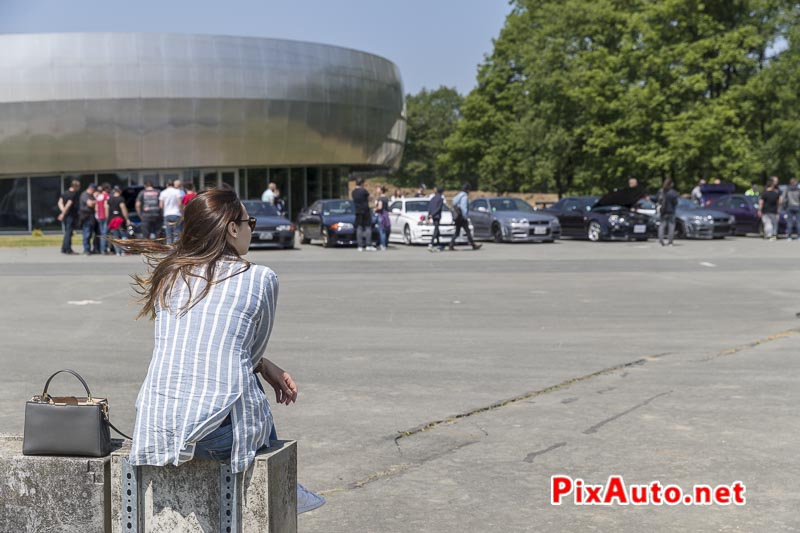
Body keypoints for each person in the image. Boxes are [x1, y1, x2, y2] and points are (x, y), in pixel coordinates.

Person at [121, 188, 325, 514]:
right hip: (217, 437)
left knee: (237, 371)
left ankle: (290, 483)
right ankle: (289, 486)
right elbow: (250, 352)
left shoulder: (170, 276)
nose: (251, 230)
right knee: (246, 382)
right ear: (232, 228)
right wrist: (263, 365)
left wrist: (262, 364)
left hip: (157, 427)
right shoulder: (260, 277)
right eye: (249, 222)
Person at [448, 184, 481, 251]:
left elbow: (453, 203)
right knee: (467, 231)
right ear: (467, 190)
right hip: (462, 217)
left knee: (457, 232)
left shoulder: (458, 196)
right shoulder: (464, 196)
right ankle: (473, 245)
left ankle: (451, 244)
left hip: (457, 216)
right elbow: (464, 207)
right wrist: (465, 216)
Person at [57, 180, 81, 254]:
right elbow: (69, 204)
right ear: (75, 186)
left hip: (66, 215)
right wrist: (63, 213)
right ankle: (68, 249)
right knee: (69, 232)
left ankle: (64, 248)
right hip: (70, 215)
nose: (79, 188)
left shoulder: (64, 193)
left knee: (67, 232)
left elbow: (59, 202)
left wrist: (62, 211)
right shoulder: (73, 194)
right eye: (78, 186)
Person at [107, 186, 131, 255]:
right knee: (123, 235)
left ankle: (117, 252)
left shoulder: (110, 199)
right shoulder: (121, 199)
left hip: (112, 219)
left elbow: (107, 209)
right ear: (120, 191)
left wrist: (108, 219)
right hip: (120, 219)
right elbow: (123, 208)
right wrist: (126, 219)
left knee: (115, 236)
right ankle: (123, 251)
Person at [159, 180, 184, 245]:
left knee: (168, 232)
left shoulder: (163, 192)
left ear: (166, 185)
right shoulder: (177, 191)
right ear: (173, 185)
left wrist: (162, 213)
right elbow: (179, 203)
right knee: (177, 231)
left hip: (167, 214)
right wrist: (181, 211)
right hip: (176, 213)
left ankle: (169, 246)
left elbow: (161, 205)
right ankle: (176, 247)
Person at [352, 178, 374, 251]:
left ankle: (360, 245)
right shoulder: (364, 191)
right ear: (362, 183)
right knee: (368, 227)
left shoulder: (354, 192)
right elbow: (370, 198)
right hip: (365, 210)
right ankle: (368, 244)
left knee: (359, 227)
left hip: (358, 211)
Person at [657, 179, 679, 246]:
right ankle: (670, 242)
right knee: (671, 226)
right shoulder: (673, 192)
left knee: (662, 226)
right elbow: (675, 202)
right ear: (671, 184)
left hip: (663, 211)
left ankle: (661, 241)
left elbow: (656, 199)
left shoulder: (661, 191)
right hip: (671, 211)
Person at [78, 183, 98, 255]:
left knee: (91, 233)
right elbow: (90, 204)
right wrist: (97, 201)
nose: (95, 191)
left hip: (91, 216)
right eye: (94, 190)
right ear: (91, 189)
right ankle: (86, 249)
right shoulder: (85, 194)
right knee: (87, 233)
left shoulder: (91, 195)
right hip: (86, 216)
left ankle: (92, 249)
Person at [95, 183, 111, 254]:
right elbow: (106, 206)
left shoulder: (99, 196)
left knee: (102, 233)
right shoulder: (106, 196)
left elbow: (96, 207)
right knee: (105, 233)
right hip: (105, 216)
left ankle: (102, 248)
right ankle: (103, 249)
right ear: (107, 189)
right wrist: (108, 216)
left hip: (99, 216)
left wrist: (97, 215)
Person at [427, 186, 445, 251]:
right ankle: (431, 243)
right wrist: (433, 214)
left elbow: (430, 207)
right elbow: (439, 208)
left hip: (433, 215)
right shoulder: (440, 199)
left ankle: (438, 243)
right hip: (437, 216)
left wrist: (429, 215)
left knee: (437, 229)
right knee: (436, 229)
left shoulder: (433, 198)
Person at [373, 185, 390, 251]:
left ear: (381, 190)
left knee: (381, 231)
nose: (377, 190)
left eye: (378, 189)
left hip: (381, 215)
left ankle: (382, 245)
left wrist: (375, 209)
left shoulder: (380, 199)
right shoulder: (386, 198)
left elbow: (380, 207)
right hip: (386, 215)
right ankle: (384, 244)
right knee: (385, 230)